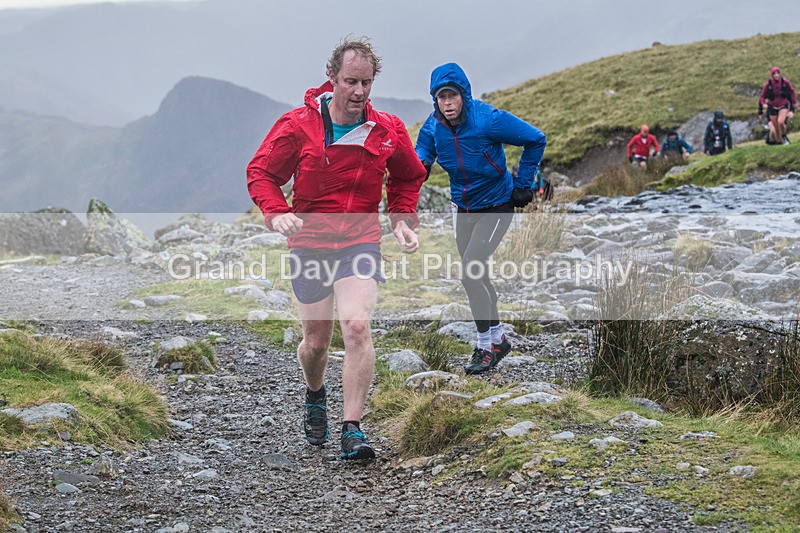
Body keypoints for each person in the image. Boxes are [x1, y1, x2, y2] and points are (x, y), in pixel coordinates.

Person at [246, 37, 427, 460]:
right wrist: (276, 213)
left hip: (360, 241)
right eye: (350, 82)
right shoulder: (297, 126)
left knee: (357, 326)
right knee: (316, 343)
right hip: (309, 242)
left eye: (366, 82)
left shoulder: (387, 130)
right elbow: (261, 173)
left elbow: (407, 176)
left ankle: (352, 429)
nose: (359, 92)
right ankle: (314, 393)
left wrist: (401, 219)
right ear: (332, 79)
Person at [415, 62, 546, 375]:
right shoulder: (433, 128)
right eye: (441, 97)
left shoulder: (488, 119)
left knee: (470, 272)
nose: (447, 102)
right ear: (435, 100)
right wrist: (416, 169)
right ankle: (498, 339)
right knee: (479, 274)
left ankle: (485, 347)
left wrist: (523, 184)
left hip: (498, 204)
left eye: (452, 95)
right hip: (465, 207)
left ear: (464, 95)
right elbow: (422, 153)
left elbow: (535, 139)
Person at [759, 66, 797, 145]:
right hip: (772, 107)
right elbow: (762, 96)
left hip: (783, 105)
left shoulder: (784, 82)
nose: (776, 75)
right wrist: (763, 104)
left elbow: (792, 91)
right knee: (776, 128)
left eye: (777, 73)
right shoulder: (768, 84)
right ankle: (780, 144)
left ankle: (784, 136)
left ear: (779, 74)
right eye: (774, 74)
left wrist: (794, 102)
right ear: (772, 75)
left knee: (780, 122)